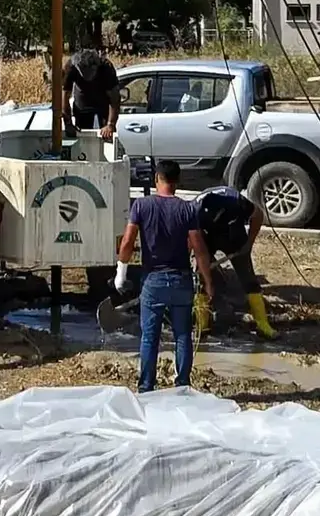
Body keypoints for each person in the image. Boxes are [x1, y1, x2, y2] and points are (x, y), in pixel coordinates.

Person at [116, 158, 217, 392]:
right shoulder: (187, 209)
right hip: (181, 281)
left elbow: (128, 241)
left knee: (150, 337)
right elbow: (199, 249)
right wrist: (208, 282)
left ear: (156, 180)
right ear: (177, 181)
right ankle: (182, 385)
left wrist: (121, 272)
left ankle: (146, 387)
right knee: (183, 335)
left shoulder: (141, 206)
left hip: (153, 281)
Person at [192, 180, 274, 339]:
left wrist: (249, 243)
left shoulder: (237, 201)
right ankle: (202, 325)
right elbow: (195, 243)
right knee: (200, 279)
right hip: (207, 237)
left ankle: (263, 325)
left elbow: (258, 215)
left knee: (248, 279)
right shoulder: (195, 210)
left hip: (234, 235)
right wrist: (203, 267)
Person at [61, 44, 121, 154]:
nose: (87, 75)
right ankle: (82, 156)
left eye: (90, 72)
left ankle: (107, 158)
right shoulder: (71, 67)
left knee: (107, 135)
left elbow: (115, 99)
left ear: (96, 67)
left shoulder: (106, 67)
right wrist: (68, 123)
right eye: (82, 71)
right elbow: (64, 95)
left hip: (103, 101)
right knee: (81, 136)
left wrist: (110, 124)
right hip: (82, 101)